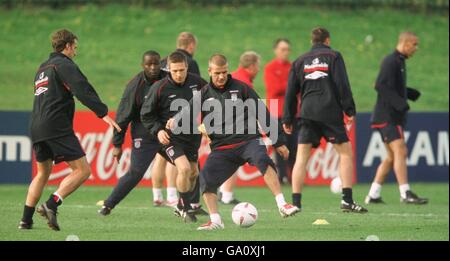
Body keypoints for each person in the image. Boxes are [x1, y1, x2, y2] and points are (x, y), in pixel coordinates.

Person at [167, 54, 300, 230]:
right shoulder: (204, 93)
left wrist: (278, 141)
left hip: (249, 140)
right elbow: (188, 110)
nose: (221, 76)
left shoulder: (241, 88)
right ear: (210, 72)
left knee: (263, 159)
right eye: (217, 73)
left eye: (224, 72)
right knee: (205, 179)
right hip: (222, 148)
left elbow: (262, 112)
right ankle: (216, 221)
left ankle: (282, 205)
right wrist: (175, 119)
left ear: (227, 70)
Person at [19, 29, 121, 230]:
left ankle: (25, 220)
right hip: (55, 125)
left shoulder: (42, 68)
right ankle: (51, 204)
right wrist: (102, 113)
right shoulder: (63, 64)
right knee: (83, 170)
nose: (75, 50)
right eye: (74, 46)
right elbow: (81, 87)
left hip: (37, 125)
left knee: (42, 173)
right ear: (67, 46)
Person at [283, 27, 367, 213]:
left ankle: (296, 203)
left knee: (301, 158)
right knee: (345, 154)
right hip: (330, 113)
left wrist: (287, 118)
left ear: (312, 41)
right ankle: (347, 200)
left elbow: (290, 92)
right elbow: (342, 84)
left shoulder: (299, 61)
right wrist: (349, 109)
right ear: (327, 41)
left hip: (307, 113)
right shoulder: (334, 57)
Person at [97, 50, 167, 216]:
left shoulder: (169, 79)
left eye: (155, 63)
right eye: (148, 64)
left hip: (166, 134)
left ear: (160, 64)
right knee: (136, 172)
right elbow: (122, 116)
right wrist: (117, 144)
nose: (152, 67)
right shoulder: (135, 86)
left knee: (190, 166)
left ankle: (191, 206)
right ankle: (108, 205)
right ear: (142, 66)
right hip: (144, 135)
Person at [141, 51, 208, 223]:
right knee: (184, 169)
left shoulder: (198, 83)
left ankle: (180, 205)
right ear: (168, 69)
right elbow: (146, 114)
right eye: (175, 70)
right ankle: (186, 208)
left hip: (192, 136)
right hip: (169, 138)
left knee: (193, 173)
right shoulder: (160, 87)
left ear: (187, 67)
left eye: (182, 70)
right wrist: (158, 130)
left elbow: (212, 98)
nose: (178, 74)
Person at [365, 32, 428, 205]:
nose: (416, 48)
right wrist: (400, 103)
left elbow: (392, 86)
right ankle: (405, 192)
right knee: (401, 150)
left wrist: (408, 93)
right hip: (388, 116)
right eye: (414, 44)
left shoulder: (399, 61)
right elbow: (379, 85)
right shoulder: (391, 61)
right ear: (405, 43)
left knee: (392, 156)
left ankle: (373, 194)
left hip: (386, 116)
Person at [158, 32, 201, 207]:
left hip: (164, 123)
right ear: (191, 45)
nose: (178, 73)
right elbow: (198, 95)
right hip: (179, 126)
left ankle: (169, 195)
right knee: (182, 165)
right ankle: (182, 203)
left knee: (174, 163)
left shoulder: (163, 61)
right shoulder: (189, 63)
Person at [219, 51, 261, 205]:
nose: (259, 70)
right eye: (257, 66)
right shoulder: (244, 83)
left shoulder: (233, 76)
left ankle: (224, 192)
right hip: (232, 127)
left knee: (227, 160)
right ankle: (226, 194)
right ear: (251, 66)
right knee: (233, 159)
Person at [264, 38, 297, 185]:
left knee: (294, 146)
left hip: (291, 111)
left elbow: (298, 87)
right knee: (279, 145)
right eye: (282, 49)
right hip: (275, 111)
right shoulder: (270, 68)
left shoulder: (293, 66)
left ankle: (293, 176)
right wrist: (291, 85)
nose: (285, 52)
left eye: (287, 49)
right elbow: (274, 88)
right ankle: (282, 176)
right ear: (276, 50)